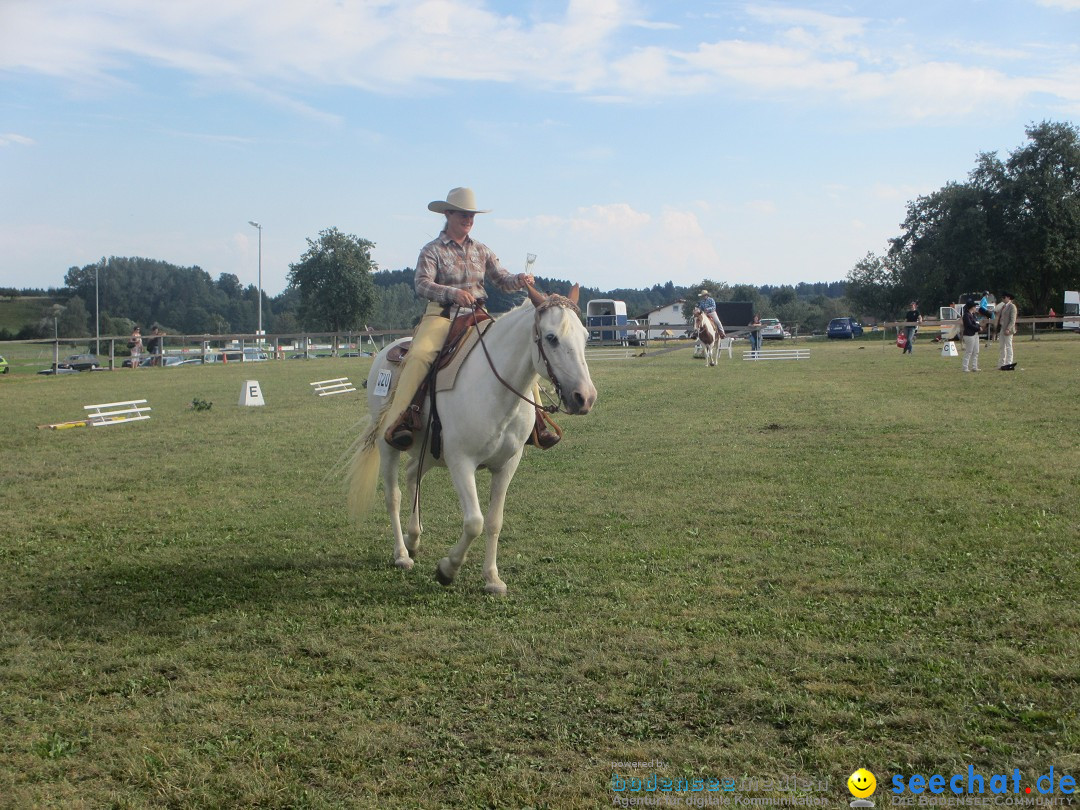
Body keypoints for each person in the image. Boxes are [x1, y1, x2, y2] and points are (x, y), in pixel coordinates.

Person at [382, 187, 552, 451]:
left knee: (521, 351)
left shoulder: (482, 250)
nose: (468, 219)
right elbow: (422, 284)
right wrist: (452, 293)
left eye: (471, 214)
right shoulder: (432, 250)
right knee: (419, 356)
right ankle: (403, 418)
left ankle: (537, 420)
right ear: (448, 214)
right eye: (463, 213)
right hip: (441, 316)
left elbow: (501, 280)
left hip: (478, 316)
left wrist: (518, 280)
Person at [997, 291, 1017, 370]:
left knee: (1008, 346)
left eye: (1004, 297)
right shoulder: (1003, 306)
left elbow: (1013, 320)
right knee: (1002, 347)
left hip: (1008, 329)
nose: (1003, 299)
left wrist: (1008, 328)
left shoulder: (1012, 306)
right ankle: (1002, 363)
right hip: (1002, 328)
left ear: (1008, 298)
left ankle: (1009, 363)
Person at [961, 301, 981, 372]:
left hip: (975, 334)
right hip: (969, 335)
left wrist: (979, 327)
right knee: (969, 351)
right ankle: (965, 367)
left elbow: (977, 323)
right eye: (975, 307)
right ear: (972, 307)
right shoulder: (966, 315)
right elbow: (969, 325)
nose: (976, 308)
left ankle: (974, 366)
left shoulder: (974, 315)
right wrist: (978, 328)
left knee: (976, 351)